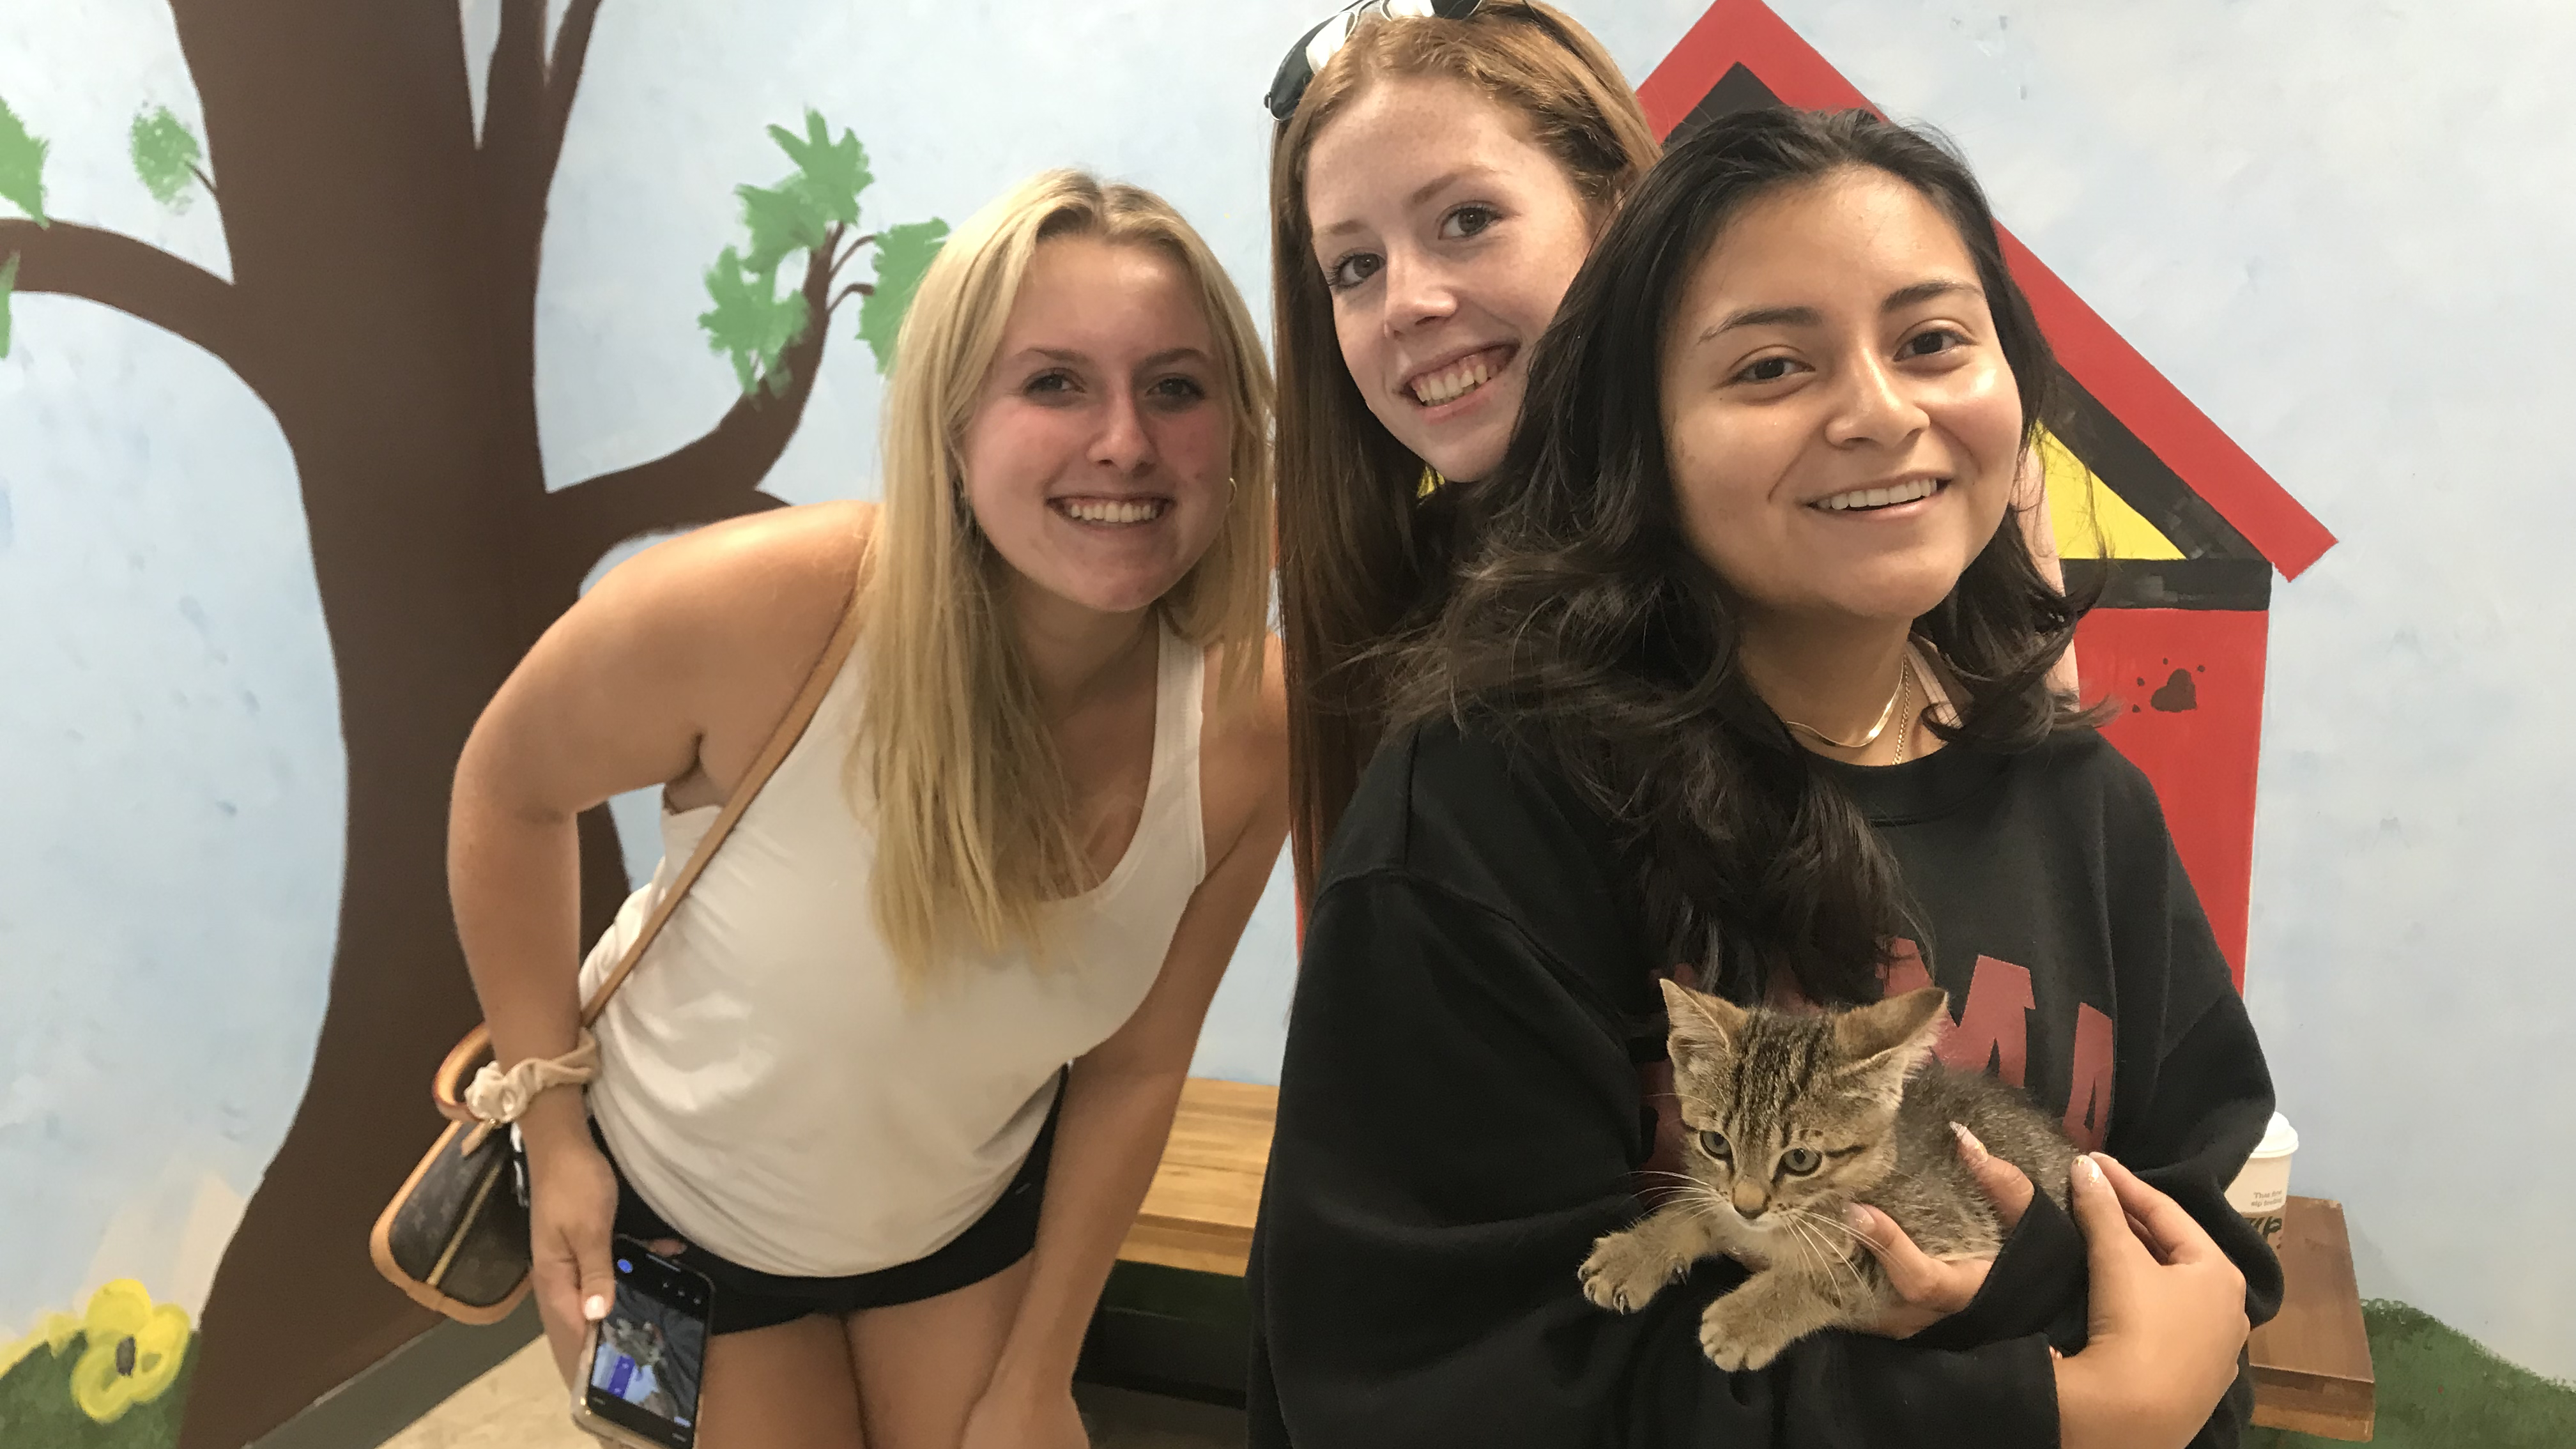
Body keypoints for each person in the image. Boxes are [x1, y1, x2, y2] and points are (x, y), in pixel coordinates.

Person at [1247, 108, 2280, 1448]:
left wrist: (2106, 1342)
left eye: (1932, 341)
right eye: (1772, 365)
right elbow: (1440, 1387)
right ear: (1642, 439)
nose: (1881, 412)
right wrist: (2053, 1413)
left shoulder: (2087, 806)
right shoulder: (1478, 814)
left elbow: (2203, 1259)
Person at [448, 169, 1286, 1449]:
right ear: (953, 425)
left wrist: (1038, 1375)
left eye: (1176, 387)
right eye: (1054, 382)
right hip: (656, 1224)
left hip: (960, 1222)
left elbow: (1134, 1067)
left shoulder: (1251, 723)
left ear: (1236, 435)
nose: (1125, 440)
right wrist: (550, 1129)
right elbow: (507, 788)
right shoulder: (766, 605)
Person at [1264, 0, 2070, 898]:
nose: (1409, 302)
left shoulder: (1911, 487)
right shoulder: (1394, 611)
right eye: (1356, 267)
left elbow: (2048, 880)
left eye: (1467, 220)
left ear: (1618, 212)